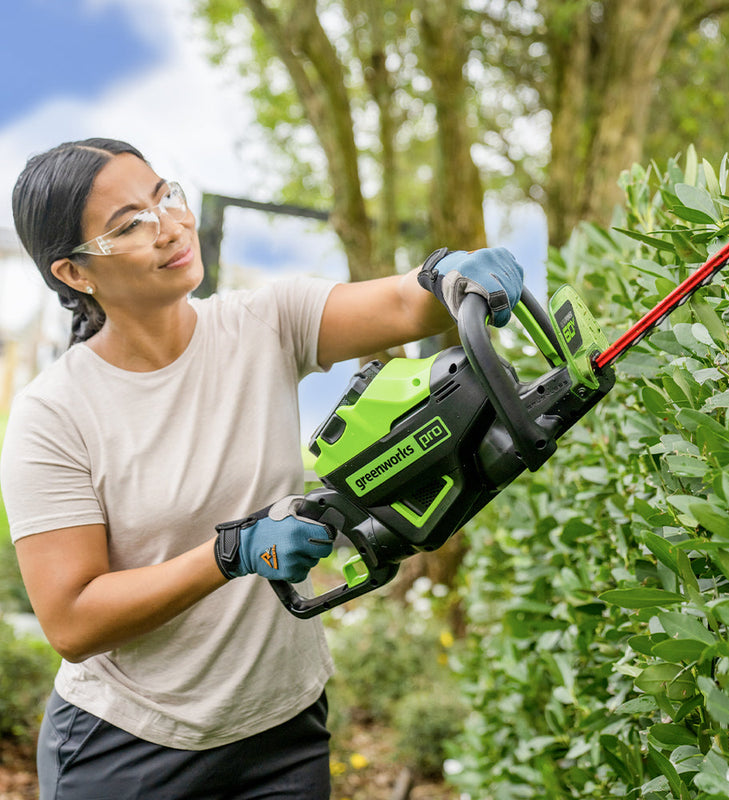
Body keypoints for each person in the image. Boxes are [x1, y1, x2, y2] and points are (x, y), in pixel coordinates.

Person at [0, 137, 524, 800]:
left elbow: (400, 305)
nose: (170, 227)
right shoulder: (55, 413)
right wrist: (233, 553)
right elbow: (71, 619)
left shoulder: (264, 323)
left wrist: (452, 275)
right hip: (128, 747)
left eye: (166, 196)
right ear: (75, 273)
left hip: (282, 728)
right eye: (130, 224)